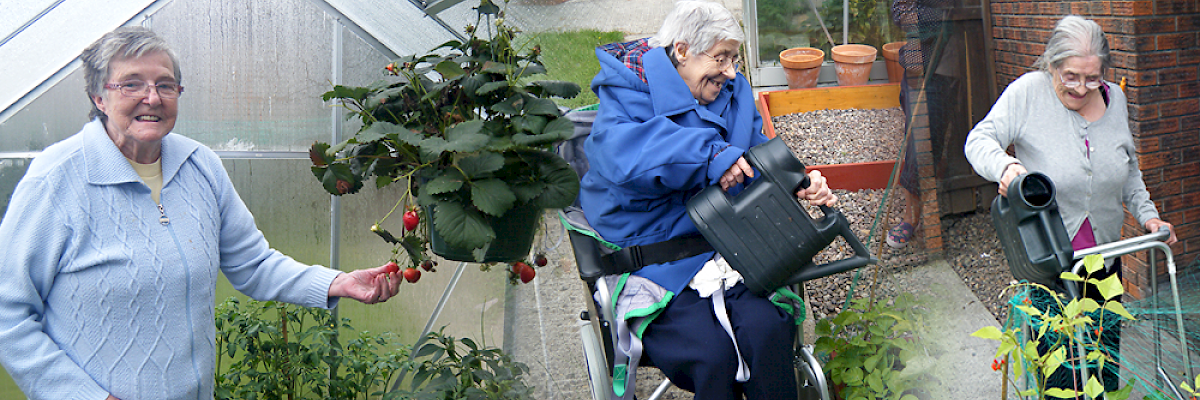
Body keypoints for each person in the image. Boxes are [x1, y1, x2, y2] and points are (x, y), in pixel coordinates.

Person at [0, 27, 403, 400]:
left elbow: (254, 264)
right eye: (132, 84)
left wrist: (339, 282)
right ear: (98, 97)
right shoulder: (57, 181)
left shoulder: (199, 165)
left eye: (165, 85)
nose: (152, 98)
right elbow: (8, 314)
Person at [580, 2, 837, 399]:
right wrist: (710, 154)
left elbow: (758, 153)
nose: (731, 71)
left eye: (734, 58)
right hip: (658, 262)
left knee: (768, 332)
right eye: (721, 58)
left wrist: (800, 181)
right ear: (681, 51)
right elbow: (620, 156)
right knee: (712, 356)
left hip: (731, 249)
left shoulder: (731, 91)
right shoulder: (627, 90)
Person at [964, 15, 1177, 397]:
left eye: (1092, 77)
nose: (1081, 88)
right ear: (1052, 64)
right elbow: (979, 140)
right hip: (1048, 264)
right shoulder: (1029, 92)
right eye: (1071, 76)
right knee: (1059, 375)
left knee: (1103, 363)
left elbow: (1128, 171)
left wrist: (1149, 216)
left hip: (1104, 260)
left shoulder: (1116, 99)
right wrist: (1006, 165)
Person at [887, 0, 960, 248]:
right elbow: (901, 13)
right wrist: (945, 15)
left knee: (948, 143)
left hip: (969, 69)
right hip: (926, 72)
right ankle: (911, 218)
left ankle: (945, 209)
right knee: (919, 147)